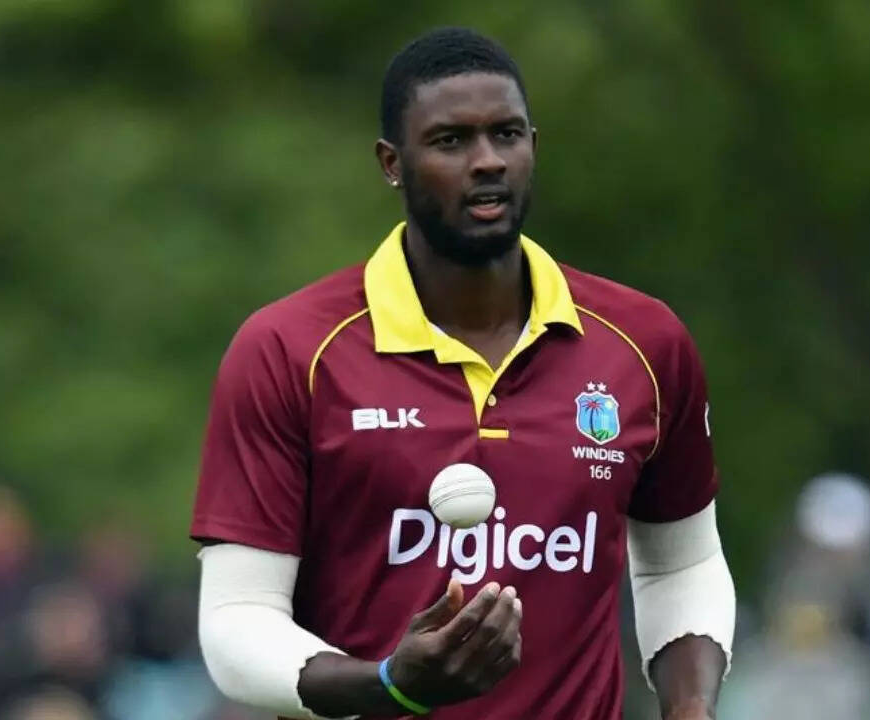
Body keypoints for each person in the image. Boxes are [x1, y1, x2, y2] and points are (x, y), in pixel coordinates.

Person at [191, 27, 735, 720]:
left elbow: (681, 564)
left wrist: (690, 708)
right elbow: (237, 621)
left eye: (507, 135)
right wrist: (389, 684)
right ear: (392, 163)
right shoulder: (288, 350)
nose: (487, 161)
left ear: (533, 144)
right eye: (451, 141)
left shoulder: (644, 343)